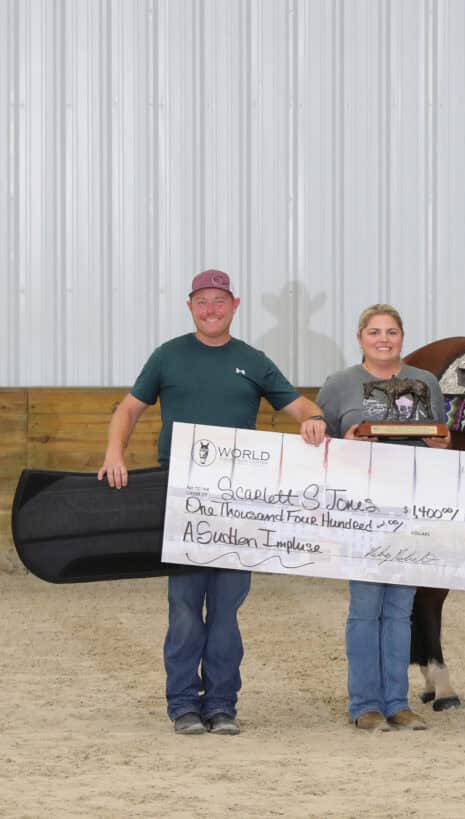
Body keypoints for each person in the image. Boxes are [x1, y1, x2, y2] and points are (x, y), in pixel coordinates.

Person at [97, 269, 327, 736]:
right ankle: (183, 703)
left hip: (237, 500)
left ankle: (222, 703)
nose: (210, 309)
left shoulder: (253, 360)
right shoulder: (168, 356)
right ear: (190, 307)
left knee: (226, 607)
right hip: (181, 494)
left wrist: (315, 419)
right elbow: (128, 409)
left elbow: (300, 405)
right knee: (184, 605)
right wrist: (113, 452)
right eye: (201, 301)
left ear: (234, 306)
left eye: (219, 301)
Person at [316, 303, 450, 733]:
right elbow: (320, 450)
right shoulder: (339, 386)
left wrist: (441, 443)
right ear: (360, 338)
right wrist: (346, 442)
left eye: (391, 332)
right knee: (366, 608)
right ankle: (365, 704)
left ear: (402, 338)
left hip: (409, 508)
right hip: (361, 509)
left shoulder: (426, 383)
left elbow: (440, 442)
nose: (383, 339)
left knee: (399, 609)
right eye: (374, 332)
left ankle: (398, 702)